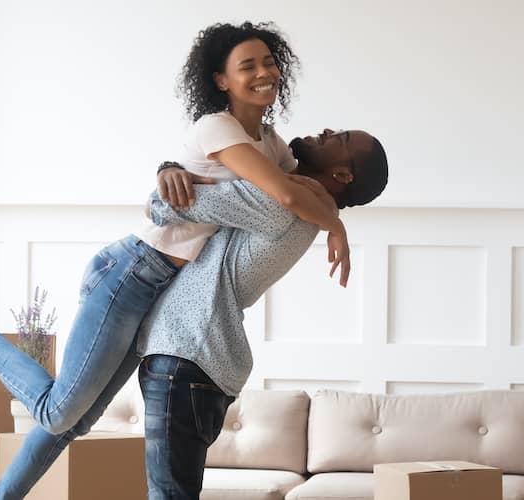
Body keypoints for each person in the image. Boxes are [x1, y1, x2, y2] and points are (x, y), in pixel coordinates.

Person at [0, 21, 354, 499]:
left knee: (73, 422)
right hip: (131, 272)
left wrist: (331, 217)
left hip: (159, 293)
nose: (264, 72)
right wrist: (333, 225)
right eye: (247, 65)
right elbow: (284, 195)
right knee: (60, 413)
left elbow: (304, 191)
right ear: (221, 80)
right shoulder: (219, 126)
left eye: (269, 62)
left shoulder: (272, 144)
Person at [137, 129, 389, 499]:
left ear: (343, 174)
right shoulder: (300, 201)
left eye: (341, 138)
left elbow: (163, 205)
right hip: (194, 358)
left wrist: (171, 175)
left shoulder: (283, 199)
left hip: (188, 353)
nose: (327, 132)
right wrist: (172, 169)